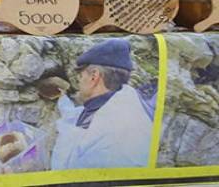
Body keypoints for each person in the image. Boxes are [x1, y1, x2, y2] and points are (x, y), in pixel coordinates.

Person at [50, 38, 153, 170]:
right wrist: (62, 99)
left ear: (94, 76)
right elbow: (77, 117)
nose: (79, 83)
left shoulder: (115, 136)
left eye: (80, 77)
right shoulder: (117, 103)